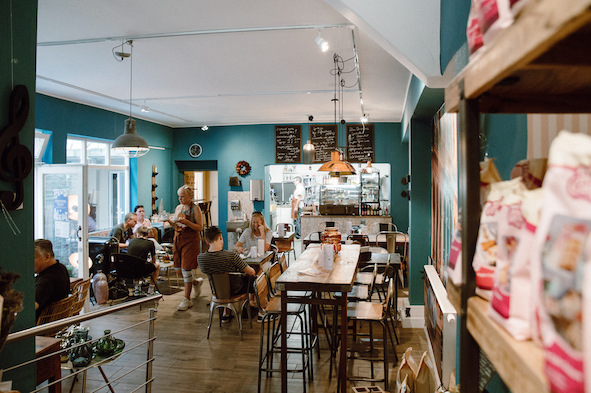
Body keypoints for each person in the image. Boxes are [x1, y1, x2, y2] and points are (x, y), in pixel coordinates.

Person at [198, 226, 256, 320]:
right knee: (256, 279)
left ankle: (226, 313)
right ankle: (262, 312)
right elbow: (251, 272)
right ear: (221, 237)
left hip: (216, 291)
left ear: (207, 241)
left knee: (223, 281)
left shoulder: (201, 258)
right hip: (235, 289)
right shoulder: (231, 256)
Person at [166, 185, 204, 311]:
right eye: (179, 196)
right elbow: (175, 224)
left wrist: (187, 222)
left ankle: (187, 299)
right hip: (178, 238)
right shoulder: (179, 208)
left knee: (186, 269)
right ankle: (196, 283)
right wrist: (168, 221)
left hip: (190, 240)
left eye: (182, 196)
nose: (180, 199)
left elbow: (200, 227)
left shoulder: (195, 209)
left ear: (190, 196)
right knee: (178, 270)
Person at [34, 239, 70, 321]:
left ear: (47, 257)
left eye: (33, 257)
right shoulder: (61, 268)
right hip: (55, 321)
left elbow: (31, 307)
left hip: (39, 326)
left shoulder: (47, 281)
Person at [127, 226, 161, 295]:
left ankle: (137, 289)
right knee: (157, 265)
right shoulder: (150, 243)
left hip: (129, 269)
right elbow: (154, 261)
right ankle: (151, 289)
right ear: (147, 234)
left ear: (138, 234)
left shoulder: (131, 241)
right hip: (141, 269)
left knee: (136, 262)